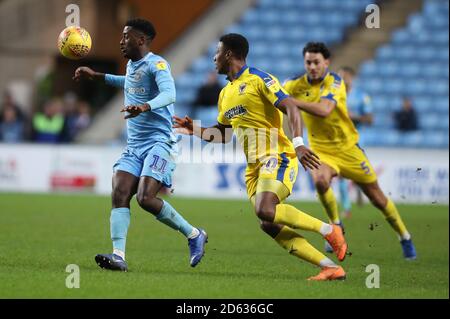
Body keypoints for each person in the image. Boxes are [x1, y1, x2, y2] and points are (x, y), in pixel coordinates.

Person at [174, 33, 348, 281]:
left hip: (278, 156)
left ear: (229, 54)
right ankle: (330, 267)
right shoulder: (225, 94)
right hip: (253, 167)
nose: (213, 58)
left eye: (217, 52)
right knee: (268, 222)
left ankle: (330, 230)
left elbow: (290, 106)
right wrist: (195, 130)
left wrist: (299, 144)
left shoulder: (259, 79)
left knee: (265, 209)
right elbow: (223, 134)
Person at [73, 18, 208, 272]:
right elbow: (129, 83)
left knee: (146, 198)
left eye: (126, 37)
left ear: (141, 40)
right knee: (119, 192)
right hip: (134, 146)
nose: (121, 41)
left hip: (159, 143)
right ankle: (119, 255)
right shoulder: (133, 66)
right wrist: (98, 76)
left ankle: (193, 234)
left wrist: (144, 106)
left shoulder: (157, 64)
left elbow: (170, 94)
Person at [283, 42, 416, 260]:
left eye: (317, 62)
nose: (313, 66)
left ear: (326, 62)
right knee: (320, 180)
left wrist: (292, 102)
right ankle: (336, 227)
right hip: (321, 150)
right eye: (308, 62)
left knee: (378, 199)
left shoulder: (335, 82)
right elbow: (275, 97)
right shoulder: (294, 85)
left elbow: (325, 110)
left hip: (348, 150)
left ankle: (404, 236)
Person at [336, 66, 374, 218]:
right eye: (340, 78)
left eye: (345, 77)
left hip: (357, 138)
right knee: (340, 174)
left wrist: (353, 116)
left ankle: (359, 186)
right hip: (339, 139)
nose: (342, 81)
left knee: (358, 172)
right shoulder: (334, 96)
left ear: (351, 78)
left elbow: (370, 119)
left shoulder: (362, 97)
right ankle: (346, 208)